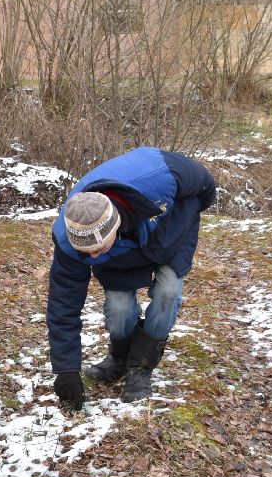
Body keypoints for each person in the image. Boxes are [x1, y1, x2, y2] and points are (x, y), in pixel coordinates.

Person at [47, 146, 216, 409]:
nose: (91, 259)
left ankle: (142, 368)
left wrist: (183, 219)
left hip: (167, 232)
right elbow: (63, 306)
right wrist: (66, 369)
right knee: (118, 307)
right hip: (123, 251)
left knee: (167, 292)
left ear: (114, 226)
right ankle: (120, 359)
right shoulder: (70, 240)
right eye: (86, 252)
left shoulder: (160, 177)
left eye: (97, 250)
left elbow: (204, 183)